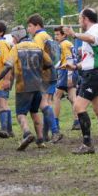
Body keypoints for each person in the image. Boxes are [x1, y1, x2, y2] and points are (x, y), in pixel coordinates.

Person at [0, 26, 52, 151]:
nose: (12, 40)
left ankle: (27, 133)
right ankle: (40, 140)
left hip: (23, 86)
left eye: (13, 37)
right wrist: (39, 71)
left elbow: (7, 66)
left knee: (20, 114)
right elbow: (49, 63)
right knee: (35, 112)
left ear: (17, 37)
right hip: (37, 85)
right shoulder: (37, 46)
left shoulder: (16, 48)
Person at [64, 7, 98, 154]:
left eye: (80, 18)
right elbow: (89, 59)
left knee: (78, 106)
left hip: (94, 74)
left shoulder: (95, 31)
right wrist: (75, 67)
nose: (79, 21)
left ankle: (87, 145)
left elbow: (92, 39)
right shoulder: (92, 32)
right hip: (95, 73)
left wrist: (74, 34)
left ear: (85, 19)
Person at [27, 14, 62, 143]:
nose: (28, 29)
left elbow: (37, 55)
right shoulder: (48, 36)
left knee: (43, 104)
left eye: (30, 26)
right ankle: (47, 135)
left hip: (43, 74)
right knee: (47, 102)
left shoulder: (38, 37)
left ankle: (55, 131)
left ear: (37, 25)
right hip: (52, 72)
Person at [53, 26, 80, 131]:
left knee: (56, 96)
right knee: (73, 98)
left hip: (67, 72)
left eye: (57, 34)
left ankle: (55, 124)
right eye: (54, 35)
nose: (55, 37)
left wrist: (68, 76)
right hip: (73, 71)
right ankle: (77, 121)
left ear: (64, 35)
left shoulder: (64, 44)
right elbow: (66, 59)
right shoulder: (68, 43)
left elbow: (69, 60)